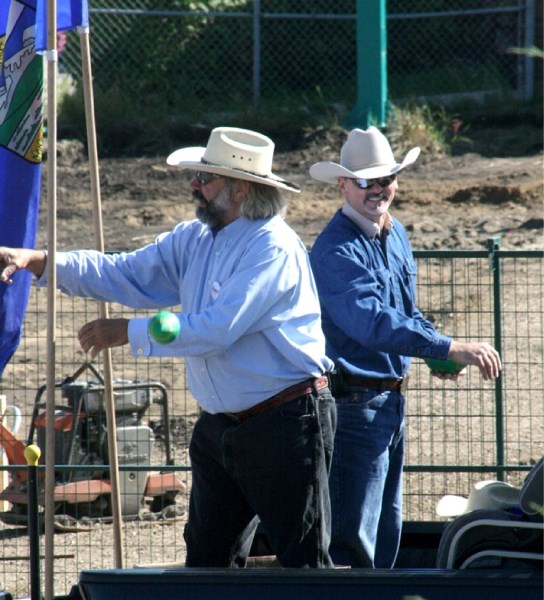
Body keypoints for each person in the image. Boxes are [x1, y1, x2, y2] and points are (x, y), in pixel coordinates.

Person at [0, 127, 336, 568]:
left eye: (204, 177)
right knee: (207, 559)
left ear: (240, 190)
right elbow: (123, 272)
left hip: (285, 424)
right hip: (227, 427)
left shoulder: (274, 247)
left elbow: (218, 328)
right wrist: (41, 261)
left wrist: (129, 332)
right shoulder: (195, 238)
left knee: (304, 562)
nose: (194, 185)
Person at [308, 126, 502, 569]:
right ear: (342, 185)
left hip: (385, 402)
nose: (378, 189)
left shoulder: (392, 234)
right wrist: (447, 345)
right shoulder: (336, 250)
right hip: (354, 406)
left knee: (385, 529)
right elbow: (374, 323)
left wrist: (437, 352)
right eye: (365, 181)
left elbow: (403, 312)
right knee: (354, 539)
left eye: (385, 179)